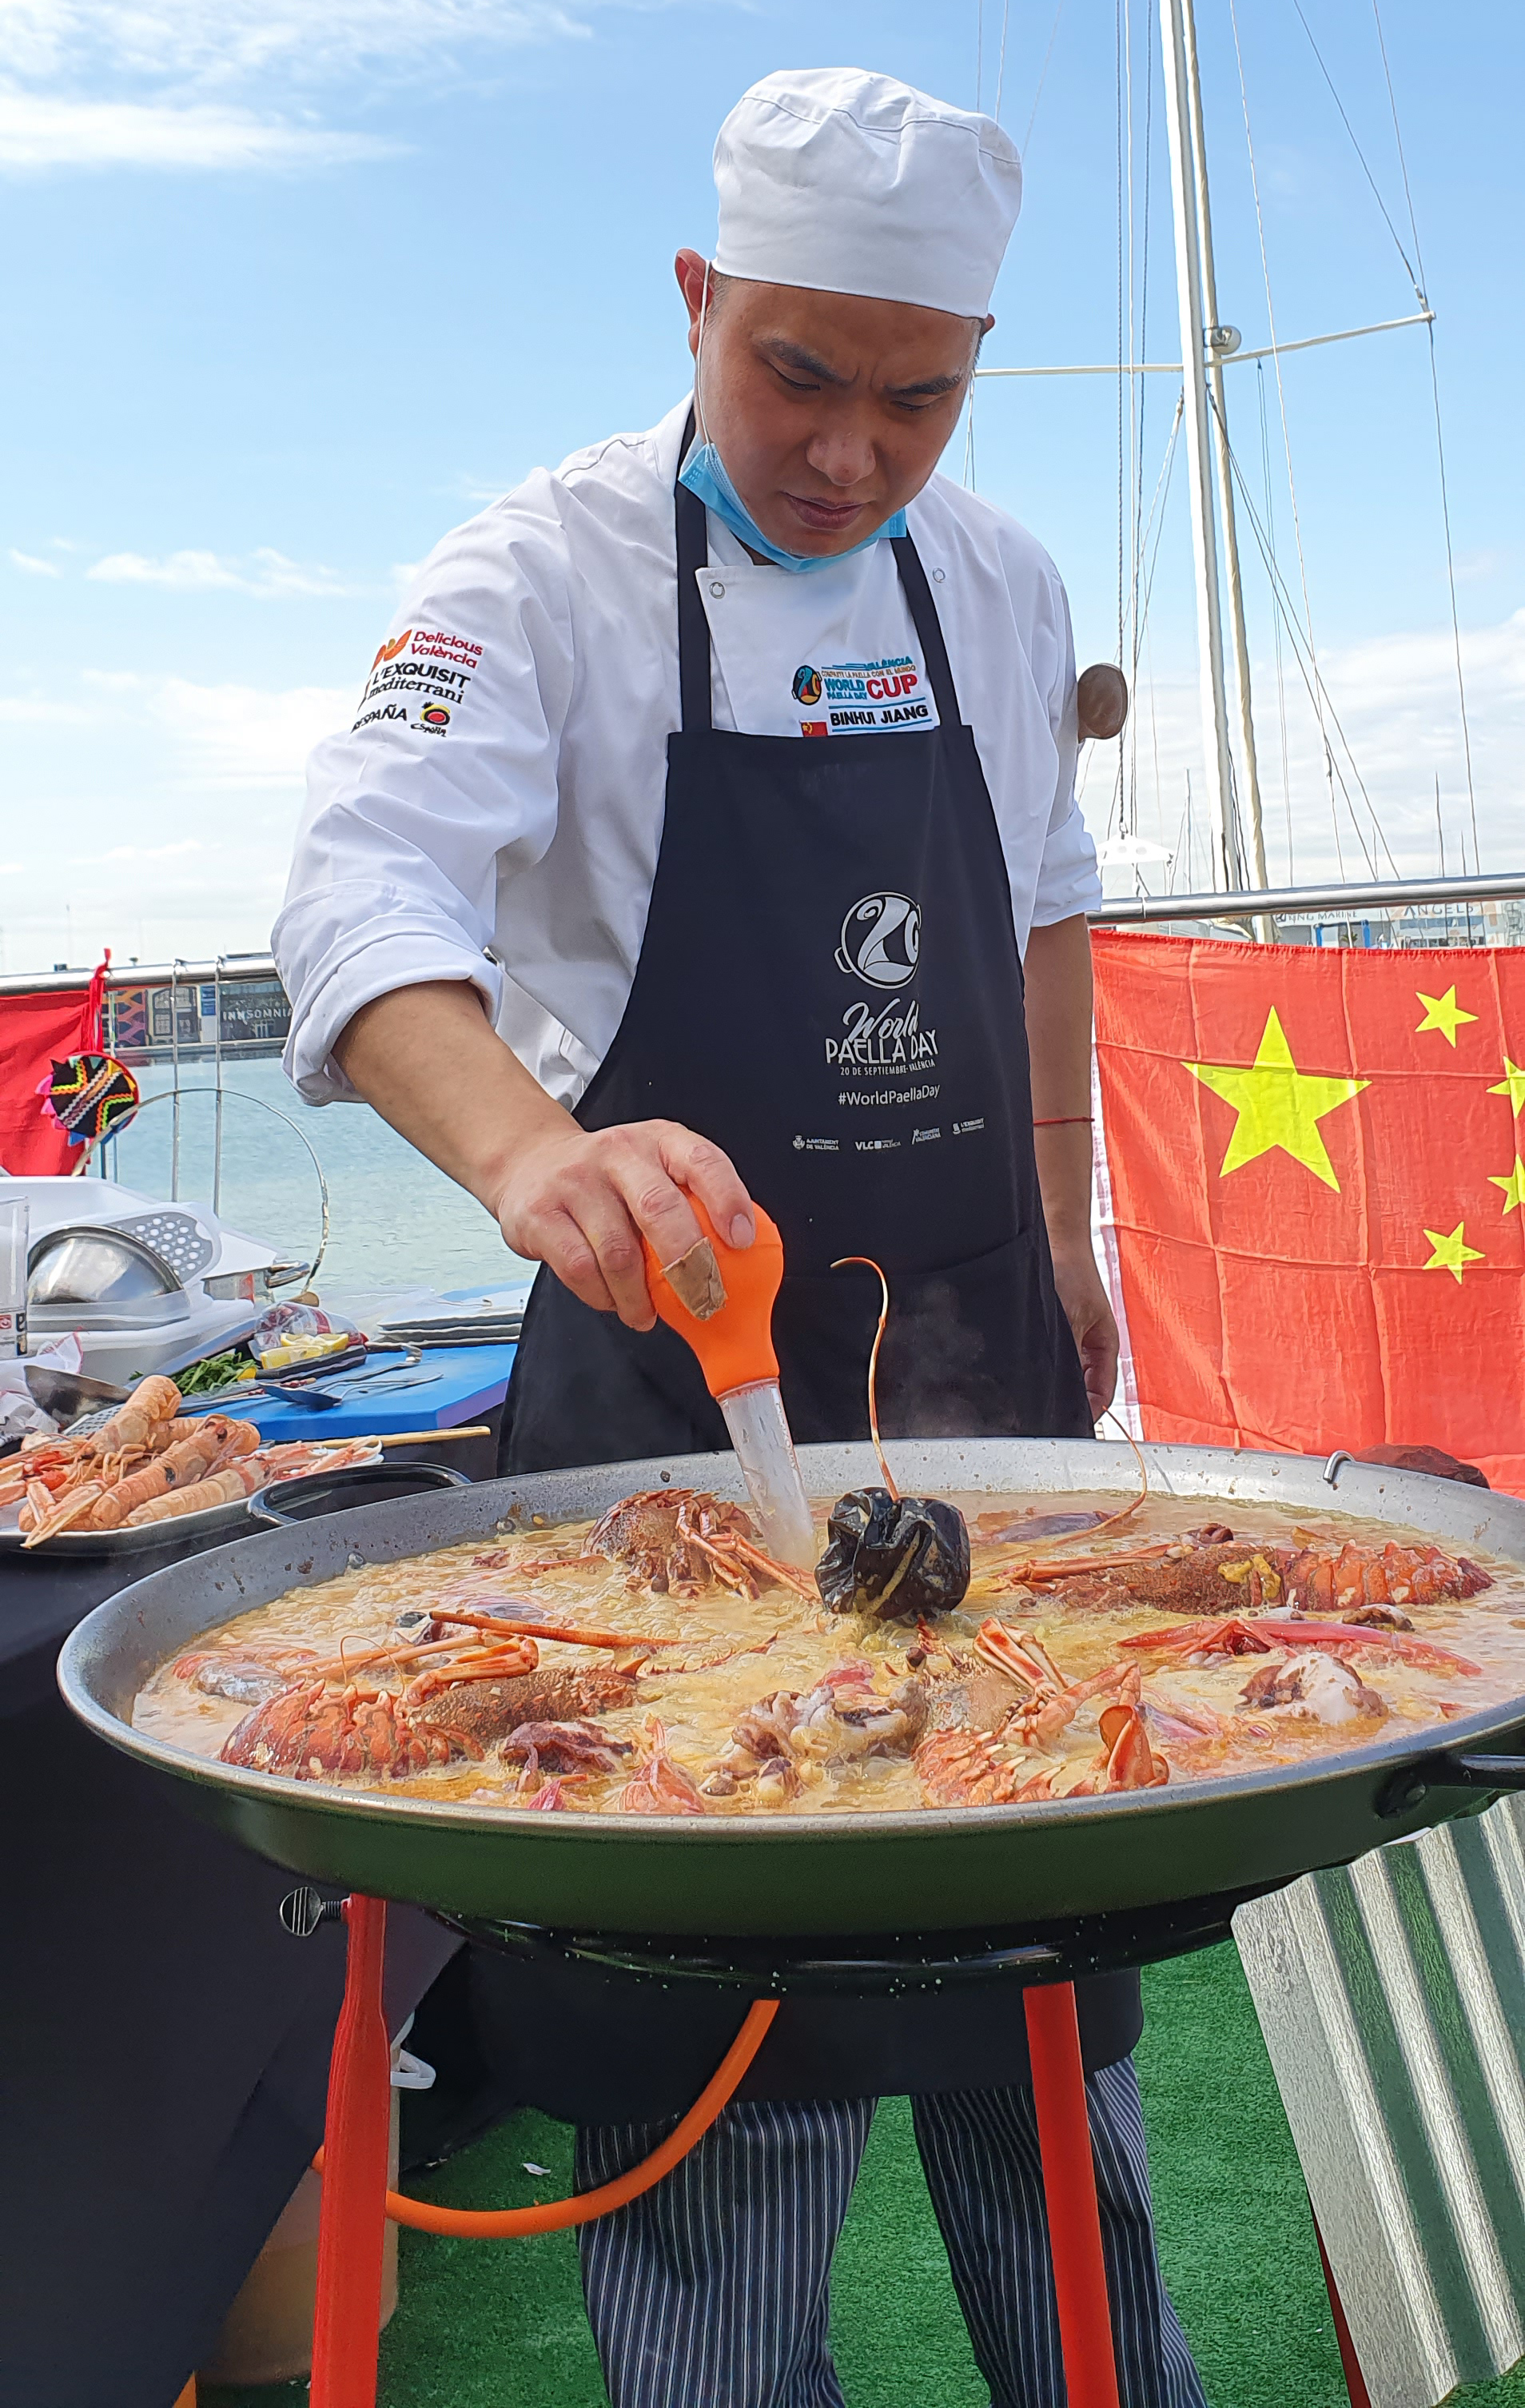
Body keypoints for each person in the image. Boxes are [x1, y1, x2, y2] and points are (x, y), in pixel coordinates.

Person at [275, 66, 1204, 2408]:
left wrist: (1072, 1216)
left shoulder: (992, 576)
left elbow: (1048, 901)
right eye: (798, 373)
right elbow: (357, 897)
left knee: (1045, 2056)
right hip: (669, 1387)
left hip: (988, 1360)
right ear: (696, 302)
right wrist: (524, 1152)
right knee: (717, 2099)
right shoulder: (528, 577)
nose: (849, 453)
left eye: (917, 397)